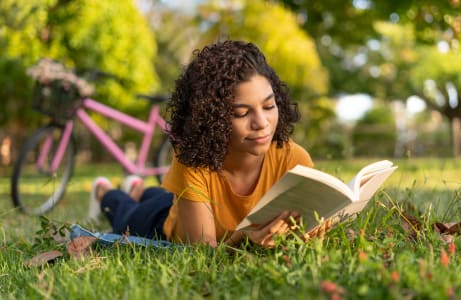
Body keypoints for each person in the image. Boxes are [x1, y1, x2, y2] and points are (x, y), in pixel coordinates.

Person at [89, 40, 316, 248]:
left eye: (268, 106)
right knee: (125, 214)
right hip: (161, 221)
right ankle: (104, 191)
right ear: (212, 118)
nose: (261, 123)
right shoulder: (194, 158)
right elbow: (203, 250)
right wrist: (244, 242)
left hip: (186, 201)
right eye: (242, 113)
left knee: (163, 195)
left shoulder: (293, 159)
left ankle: (138, 188)